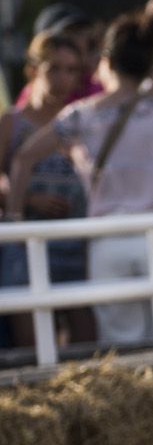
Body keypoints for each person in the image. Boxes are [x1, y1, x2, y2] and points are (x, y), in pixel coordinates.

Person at [7, 11, 153, 345]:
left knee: (122, 350)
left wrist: (15, 217)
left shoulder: (80, 115)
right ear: (150, 62)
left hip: (106, 241)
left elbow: (24, 157)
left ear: (108, 61)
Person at [0, 32, 94, 348]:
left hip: (74, 237)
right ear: (33, 70)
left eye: (71, 70)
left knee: (83, 331)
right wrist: (27, 198)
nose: (63, 78)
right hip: (25, 240)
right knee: (31, 338)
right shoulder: (10, 123)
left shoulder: (80, 119)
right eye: (54, 68)